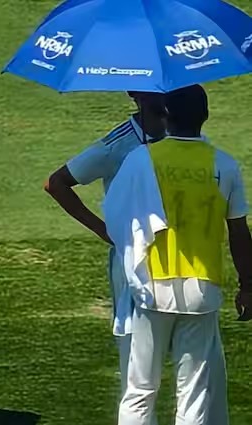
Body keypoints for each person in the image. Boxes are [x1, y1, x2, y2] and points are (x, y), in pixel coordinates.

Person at [102, 84, 252, 425]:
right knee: (194, 394)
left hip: (151, 284)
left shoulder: (141, 158)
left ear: (166, 115)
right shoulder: (224, 165)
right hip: (202, 286)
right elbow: (239, 232)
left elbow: (115, 214)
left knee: (139, 391)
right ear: (206, 116)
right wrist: (248, 286)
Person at [44, 92, 167, 401]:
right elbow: (56, 183)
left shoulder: (187, 137)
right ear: (134, 95)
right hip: (132, 262)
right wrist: (105, 230)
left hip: (180, 259)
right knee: (134, 360)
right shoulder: (117, 144)